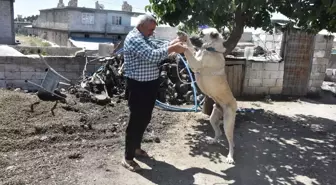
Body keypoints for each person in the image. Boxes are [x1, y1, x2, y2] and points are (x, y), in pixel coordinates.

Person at [122, 14, 187, 171]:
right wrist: (173, 48)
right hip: (138, 86)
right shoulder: (134, 39)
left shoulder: (143, 36)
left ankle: (136, 148)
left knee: (144, 118)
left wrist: (172, 43)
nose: (152, 33)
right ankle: (128, 158)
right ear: (142, 26)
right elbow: (152, 56)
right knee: (136, 121)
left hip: (149, 85)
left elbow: (155, 48)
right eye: (151, 29)